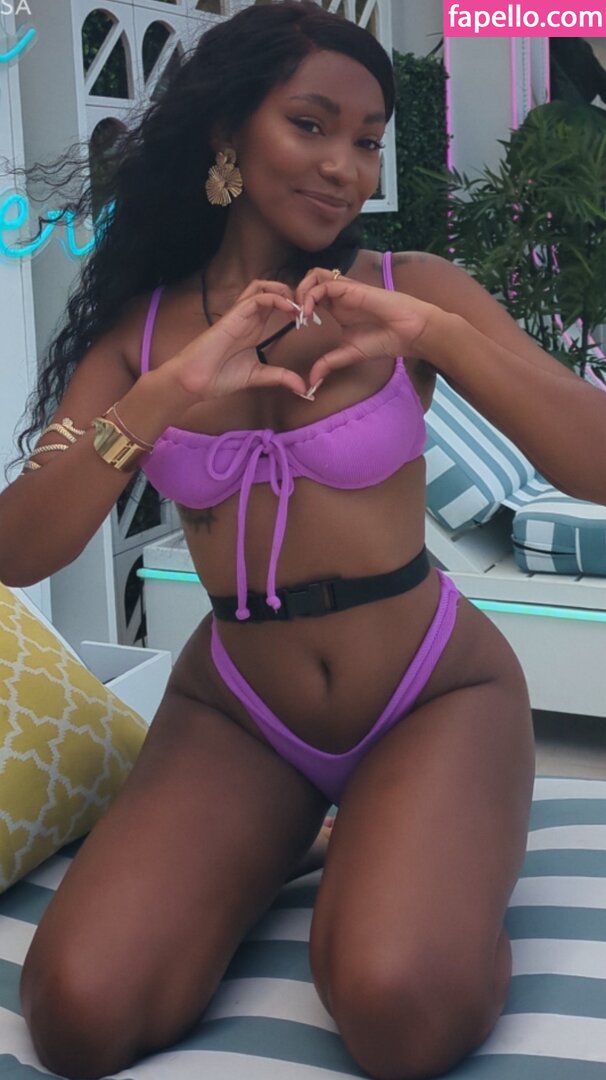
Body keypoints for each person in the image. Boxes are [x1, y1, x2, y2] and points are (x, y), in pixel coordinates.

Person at [1, 3, 605, 1078]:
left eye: (367, 141)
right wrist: (169, 392)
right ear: (227, 134)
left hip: (432, 694)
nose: (345, 167)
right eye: (311, 125)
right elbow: (20, 548)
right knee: (78, 1015)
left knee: (399, 1006)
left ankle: (416, 850)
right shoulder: (140, 338)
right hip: (240, 713)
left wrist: (437, 337)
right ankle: (296, 835)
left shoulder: (410, 290)